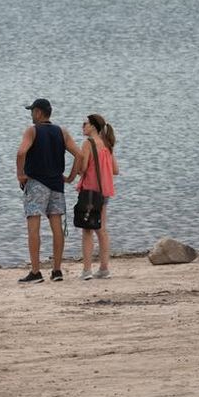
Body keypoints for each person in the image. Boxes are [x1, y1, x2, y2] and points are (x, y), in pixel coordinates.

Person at [15, 98, 81, 283]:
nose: (31, 115)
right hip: (56, 185)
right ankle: (57, 270)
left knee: (33, 228)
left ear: (38, 112)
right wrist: (70, 177)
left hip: (36, 183)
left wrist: (20, 175)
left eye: (32, 111)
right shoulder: (62, 132)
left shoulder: (32, 130)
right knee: (57, 227)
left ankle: (36, 272)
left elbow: (21, 153)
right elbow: (79, 154)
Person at [66, 113, 118, 280]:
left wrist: (74, 172)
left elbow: (83, 167)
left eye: (85, 124)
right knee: (101, 230)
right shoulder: (107, 144)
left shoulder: (88, 144)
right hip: (104, 192)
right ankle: (104, 268)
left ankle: (87, 270)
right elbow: (115, 170)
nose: (83, 127)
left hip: (89, 191)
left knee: (87, 230)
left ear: (93, 126)